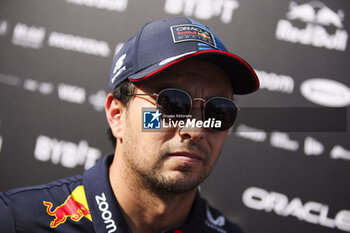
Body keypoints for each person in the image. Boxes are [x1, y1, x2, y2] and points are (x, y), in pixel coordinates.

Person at [0, 17, 259, 233]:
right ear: (117, 115)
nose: (196, 129)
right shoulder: (19, 221)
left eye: (218, 110)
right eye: (173, 103)